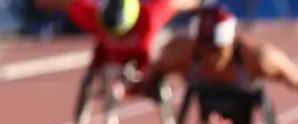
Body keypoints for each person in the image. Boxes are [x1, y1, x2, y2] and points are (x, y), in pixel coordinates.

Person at [133, 3, 298, 124]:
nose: (211, 56)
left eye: (217, 49)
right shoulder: (180, 53)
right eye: (205, 48)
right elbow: (154, 73)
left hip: (243, 114)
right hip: (206, 108)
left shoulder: (259, 57)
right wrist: (147, 86)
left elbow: (293, 75)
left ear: (230, 43)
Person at [35, 0, 200, 75]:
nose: (120, 37)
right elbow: (68, 4)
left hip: (142, 63)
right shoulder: (94, 17)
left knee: (175, 58)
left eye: (124, 32)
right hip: (108, 59)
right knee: (93, 71)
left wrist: (198, 3)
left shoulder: (150, 16)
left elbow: (175, 3)